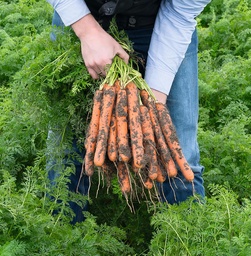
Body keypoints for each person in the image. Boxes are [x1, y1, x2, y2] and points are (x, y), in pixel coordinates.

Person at [46, 0, 211, 222]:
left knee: (178, 153)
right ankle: (61, 237)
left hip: (161, 23)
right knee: (65, 153)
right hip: (80, 12)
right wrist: (87, 30)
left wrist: (152, 109)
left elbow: (180, 13)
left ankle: (191, 237)